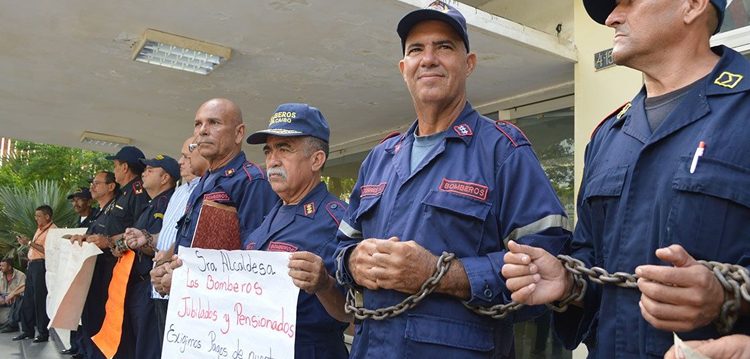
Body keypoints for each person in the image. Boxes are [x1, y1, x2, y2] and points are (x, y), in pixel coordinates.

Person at [501, 0, 750, 357]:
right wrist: (569, 282)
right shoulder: (608, 136)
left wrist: (727, 296)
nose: (612, 17)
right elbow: (591, 259)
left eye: (628, 2)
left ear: (693, 5)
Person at [334, 2, 570, 358]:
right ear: (404, 68)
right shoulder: (379, 159)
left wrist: (440, 273)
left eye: (444, 46)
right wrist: (352, 262)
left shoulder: (503, 151)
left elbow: (547, 266)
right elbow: (337, 250)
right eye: (416, 49)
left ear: (468, 63)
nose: (428, 58)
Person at [244, 103, 350, 358]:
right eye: (268, 151)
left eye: (284, 149)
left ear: (316, 160)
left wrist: (324, 284)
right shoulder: (270, 216)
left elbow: (357, 313)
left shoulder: (340, 220)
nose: (272, 160)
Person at [150, 98, 277, 296]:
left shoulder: (252, 181)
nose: (202, 130)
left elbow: (254, 262)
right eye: (198, 124)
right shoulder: (204, 180)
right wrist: (167, 263)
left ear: (239, 133)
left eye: (214, 123)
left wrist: (186, 278)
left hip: (219, 310)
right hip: (186, 302)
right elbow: (191, 237)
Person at [141, 137, 208, 341]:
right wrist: (145, 239)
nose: (180, 161)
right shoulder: (179, 192)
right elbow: (167, 235)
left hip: (183, 288)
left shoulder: (206, 190)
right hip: (160, 285)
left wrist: (168, 255)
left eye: (186, 157)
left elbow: (199, 238)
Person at [112, 155, 179, 359]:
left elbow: (157, 246)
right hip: (136, 283)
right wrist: (122, 244)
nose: (144, 172)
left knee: (148, 346)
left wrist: (138, 242)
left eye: (151, 169)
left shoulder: (166, 205)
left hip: (149, 284)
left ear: (165, 177)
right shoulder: (150, 205)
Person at [67, 170, 125, 359]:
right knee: (90, 324)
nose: (92, 186)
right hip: (92, 277)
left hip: (105, 278)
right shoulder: (101, 212)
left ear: (110, 186)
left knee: (99, 327)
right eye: (92, 182)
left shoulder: (115, 212)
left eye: (97, 183)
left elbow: (113, 243)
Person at [63, 187, 98, 356]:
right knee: (77, 312)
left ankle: (84, 349)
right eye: (73, 200)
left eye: (79, 199)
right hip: (77, 271)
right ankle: (76, 346)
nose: (75, 203)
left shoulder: (96, 217)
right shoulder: (78, 221)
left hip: (93, 272)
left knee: (88, 314)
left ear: (89, 201)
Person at [13, 205, 56, 343]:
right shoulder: (39, 229)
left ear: (47, 216)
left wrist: (29, 243)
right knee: (28, 299)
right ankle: (27, 330)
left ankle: (43, 333)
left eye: (38, 216)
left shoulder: (53, 230)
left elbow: (48, 250)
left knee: (39, 299)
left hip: (41, 265)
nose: (36, 218)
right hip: (32, 265)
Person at [0, 258, 26, 333]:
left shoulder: (21, 275)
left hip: (16, 297)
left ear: (9, 267)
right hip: (3, 297)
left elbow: (24, 289)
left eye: (3, 266)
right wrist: (2, 298)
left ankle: (12, 325)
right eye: (0, 266)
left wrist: (14, 294)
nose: (0, 268)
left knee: (20, 300)